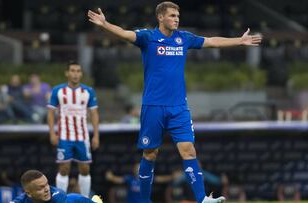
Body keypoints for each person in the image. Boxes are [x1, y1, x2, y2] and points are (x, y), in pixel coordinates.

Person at [88, 2, 262, 203]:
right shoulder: (148, 37)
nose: (176, 19)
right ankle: (144, 200)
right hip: (153, 106)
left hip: (179, 107)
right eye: (172, 15)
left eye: (177, 15)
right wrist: (105, 24)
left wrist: (239, 41)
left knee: (188, 150)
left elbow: (212, 41)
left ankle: (202, 198)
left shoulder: (184, 38)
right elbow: (125, 34)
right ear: (160, 17)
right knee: (150, 153)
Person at [47, 61, 100, 197]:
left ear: (81, 74)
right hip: (64, 135)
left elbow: (94, 113)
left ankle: (85, 198)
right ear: (67, 73)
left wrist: (96, 135)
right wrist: (52, 133)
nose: (75, 74)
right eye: (72, 70)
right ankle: (61, 198)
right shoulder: (58, 90)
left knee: (85, 168)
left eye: (78, 71)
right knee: (64, 168)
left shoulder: (88, 91)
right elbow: (51, 112)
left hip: (82, 136)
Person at [10, 169, 103, 203]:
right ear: (29, 194)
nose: (47, 189)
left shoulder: (58, 197)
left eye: (46, 184)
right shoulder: (23, 199)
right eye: (40, 188)